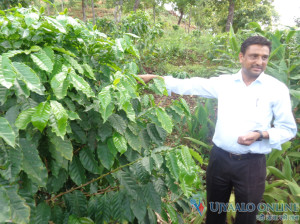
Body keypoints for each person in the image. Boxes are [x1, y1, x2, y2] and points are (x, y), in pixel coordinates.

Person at [138, 36, 297, 224]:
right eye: (254, 56)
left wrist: (261, 135)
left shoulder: (276, 89)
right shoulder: (225, 83)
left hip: (251, 165)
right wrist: (154, 79)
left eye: (264, 57)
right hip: (220, 160)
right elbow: (191, 84)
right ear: (241, 57)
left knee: (246, 218)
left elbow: (288, 129)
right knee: (214, 214)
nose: (259, 62)